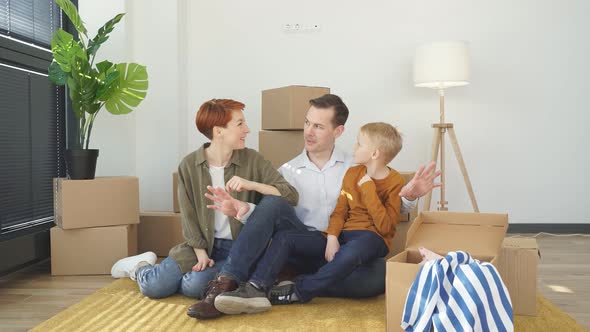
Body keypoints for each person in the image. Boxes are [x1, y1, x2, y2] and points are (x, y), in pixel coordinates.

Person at [188, 94, 441, 319]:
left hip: (346, 248)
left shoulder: (357, 166)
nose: (308, 131)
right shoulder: (286, 171)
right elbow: (269, 217)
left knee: (377, 277)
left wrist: (410, 196)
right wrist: (242, 211)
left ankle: (287, 284)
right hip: (304, 244)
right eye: (307, 123)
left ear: (338, 131)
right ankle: (225, 284)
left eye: (318, 126)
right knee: (275, 200)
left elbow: (386, 210)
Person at [109, 98, 298, 301]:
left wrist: (251, 184)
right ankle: (140, 267)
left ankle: (196, 279)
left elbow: (290, 195)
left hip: (238, 249)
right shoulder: (189, 165)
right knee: (154, 287)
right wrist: (200, 253)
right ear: (219, 131)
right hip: (199, 245)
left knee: (193, 287)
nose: (247, 129)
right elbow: (188, 216)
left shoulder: (253, 160)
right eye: (240, 123)